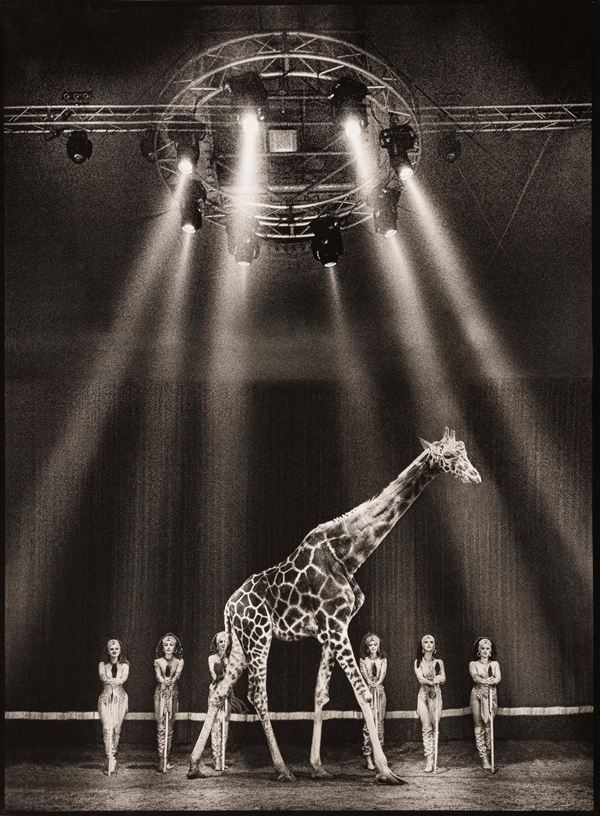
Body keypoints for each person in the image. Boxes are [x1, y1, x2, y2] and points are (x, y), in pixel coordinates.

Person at [208, 631, 247, 772]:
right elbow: (214, 676)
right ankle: (216, 758)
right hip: (215, 692)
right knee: (215, 726)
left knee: (225, 726)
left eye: (226, 641)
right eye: (221, 642)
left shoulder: (230, 659)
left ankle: (222, 757)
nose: (224, 644)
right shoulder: (211, 658)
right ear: (216, 644)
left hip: (228, 693)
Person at [414, 633, 446, 772]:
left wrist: (439, 679)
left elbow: (444, 678)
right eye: (426, 642)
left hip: (436, 696)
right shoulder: (418, 662)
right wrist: (432, 681)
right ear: (422, 646)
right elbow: (420, 679)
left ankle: (434, 761)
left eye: (431, 642)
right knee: (426, 727)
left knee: (435, 727)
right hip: (423, 695)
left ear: (434, 646)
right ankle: (429, 760)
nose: (428, 644)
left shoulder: (439, 662)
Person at [469, 636, 501, 770]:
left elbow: (498, 677)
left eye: (487, 648)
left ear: (491, 650)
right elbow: (475, 677)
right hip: (477, 694)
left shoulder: (494, 664)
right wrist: (485, 680)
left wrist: (494, 680)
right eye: (482, 648)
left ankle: (489, 754)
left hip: (491, 695)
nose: (485, 651)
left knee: (489, 726)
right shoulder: (473, 664)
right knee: (479, 726)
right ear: (478, 650)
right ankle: (483, 758)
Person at [98, 638, 129, 775]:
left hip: (120, 699)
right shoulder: (103, 664)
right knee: (107, 728)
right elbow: (102, 675)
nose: (114, 651)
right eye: (112, 649)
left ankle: (113, 757)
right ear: (108, 651)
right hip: (105, 699)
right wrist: (109, 680)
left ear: (120, 650)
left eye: (116, 648)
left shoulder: (125, 665)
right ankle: (109, 758)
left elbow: (124, 677)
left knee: (117, 729)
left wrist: (118, 681)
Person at [154, 632, 184, 772]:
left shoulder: (179, 661)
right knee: (161, 726)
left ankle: (167, 756)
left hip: (173, 693)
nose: (168, 647)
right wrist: (163, 680)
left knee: (169, 727)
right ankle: (161, 759)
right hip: (160, 694)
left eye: (171, 645)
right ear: (162, 647)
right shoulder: (158, 661)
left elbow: (177, 674)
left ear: (175, 647)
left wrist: (171, 680)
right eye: (166, 645)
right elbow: (158, 675)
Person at [358, 632, 387, 771]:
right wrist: (370, 684)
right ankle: (368, 756)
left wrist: (378, 683)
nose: (373, 647)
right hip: (368, 693)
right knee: (368, 725)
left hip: (380, 692)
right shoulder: (363, 660)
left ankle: (379, 754)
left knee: (379, 723)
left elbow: (383, 674)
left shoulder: (383, 659)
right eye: (370, 645)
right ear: (367, 647)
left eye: (375, 644)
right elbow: (364, 675)